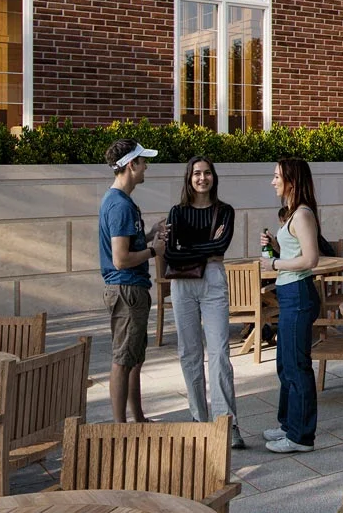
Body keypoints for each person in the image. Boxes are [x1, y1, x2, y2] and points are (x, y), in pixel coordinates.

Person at [163, 155, 241, 446]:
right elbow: (170, 253)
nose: (202, 178)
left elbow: (221, 246)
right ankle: (198, 418)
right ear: (189, 178)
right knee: (189, 353)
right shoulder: (177, 212)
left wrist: (189, 247)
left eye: (207, 173)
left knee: (220, 352)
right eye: (197, 173)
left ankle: (227, 423)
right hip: (182, 284)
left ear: (214, 177)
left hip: (213, 281)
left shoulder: (225, 211)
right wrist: (205, 250)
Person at [258, 158, 323, 453]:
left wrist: (273, 262)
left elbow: (310, 260)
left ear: (292, 181)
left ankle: (301, 436)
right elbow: (296, 251)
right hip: (289, 293)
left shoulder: (303, 214)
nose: (272, 181)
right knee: (285, 364)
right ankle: (287, 425)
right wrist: (275, 243)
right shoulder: (292, 215)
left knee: (297, 367)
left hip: (298, 293)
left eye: (276, 176)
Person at [99, 140, 163, 424]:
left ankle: (137, 420)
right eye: (142, 161)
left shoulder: (122, 203)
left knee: (134, 358)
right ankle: (120, 428)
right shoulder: (119, 205)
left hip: (131, 289)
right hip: (127, 288)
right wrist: (153, 251)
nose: (146, 166)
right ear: (130, 165)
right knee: (123, 359)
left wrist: (150, 234)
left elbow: (125, 244)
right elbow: (121, 259)